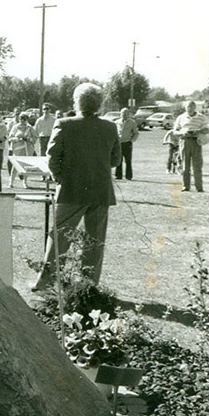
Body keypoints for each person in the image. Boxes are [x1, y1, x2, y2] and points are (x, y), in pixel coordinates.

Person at [32, 83, 121, 292]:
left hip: (71, 189)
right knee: (95, 241)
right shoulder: (110, 127)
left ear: (77, 102)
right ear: (99, 103)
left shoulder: (64, 124)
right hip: (100, 190)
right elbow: (116, 160)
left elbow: (52, 158)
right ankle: (88, 285)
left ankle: (46, 282)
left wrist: (61, 177)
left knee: (59, 237)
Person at [173, 100, 209, 192]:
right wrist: (183, 132)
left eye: (191, 107)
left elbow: (207, 129)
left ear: (195, 107)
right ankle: (186, 186)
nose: (189, 109)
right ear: (185, 108)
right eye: (188, 107)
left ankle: (199, 187)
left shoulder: (202, 117)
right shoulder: (181, 117)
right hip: (185, 141)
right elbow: (175, 131)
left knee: (197, 165)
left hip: (196, 141)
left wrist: (198, 131)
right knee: (185, 165)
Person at [7, 112, 37, 188]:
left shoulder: (30, 128)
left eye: (24, 118)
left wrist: (28, 138)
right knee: (15, 166)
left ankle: (25, 182)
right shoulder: (15, 127)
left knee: (26, 167)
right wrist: (17, 139)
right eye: (21, 118)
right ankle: (11, 182)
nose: (22, 120)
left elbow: (35, 138)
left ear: (27, 119)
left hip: (27, 150)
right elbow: (10, 138)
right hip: (17, 149)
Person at [114, 107, 140, 181]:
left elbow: (136, 133)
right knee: (119, 159)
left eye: (125, 113)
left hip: (127, 143)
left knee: (128, 160)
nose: (123, 115)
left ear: (128, 114)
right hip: (119, 143)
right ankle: (118, 175)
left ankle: (129, 176)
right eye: (122, 113)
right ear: (120, 114)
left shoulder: (132, 122)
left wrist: (132, 140)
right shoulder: (117, 122)